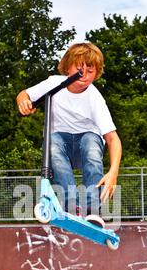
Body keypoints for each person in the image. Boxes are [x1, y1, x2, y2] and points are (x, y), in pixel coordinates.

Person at [16, 42, 122, 227]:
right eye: (79, 69)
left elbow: (113, 139)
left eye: (90, 71)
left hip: (85, 148)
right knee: (53, 141)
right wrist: (24, 102)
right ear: (67, 67)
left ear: (96, 74)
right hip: (60, 147)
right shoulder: (54, 84)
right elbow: (24, 94)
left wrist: (113, 171)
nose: (84, 76)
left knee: (90, 140)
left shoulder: (95, 98)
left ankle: (92, 211)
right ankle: (72, 206)